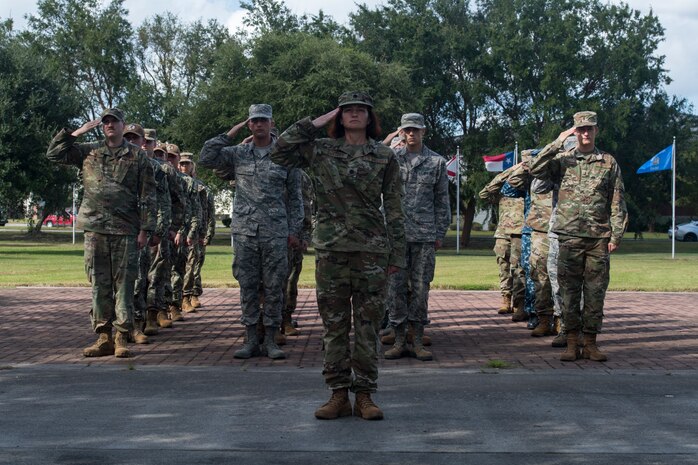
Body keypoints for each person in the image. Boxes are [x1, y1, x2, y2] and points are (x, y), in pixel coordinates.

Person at [271, 91, 406, 421]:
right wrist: (316, 121)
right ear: (339, 117)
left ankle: (364, 396)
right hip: (331, 250)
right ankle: (337, 394)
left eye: (362, 110)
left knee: (368, 327)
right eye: (348, 110)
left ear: (370, 117)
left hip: (371, 251)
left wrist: (397, 254)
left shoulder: (384, 156)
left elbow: (395, 207)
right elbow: (279, 150)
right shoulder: (321, 150)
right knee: (334, 326)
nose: (355, 115)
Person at [46, 108, 157, 358]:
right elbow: (54, 154)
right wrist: (76, 133)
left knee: (125, 285)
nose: (109, 126)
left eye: (114, 122)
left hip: (125, 229)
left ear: (122, 125)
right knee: (99, 285)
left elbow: (148, 196)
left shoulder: (138, 157)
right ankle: (103, 336)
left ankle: (121, 337)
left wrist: (145, 230)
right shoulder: (89, 150)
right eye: (105, 122)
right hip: (95, 229)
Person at [199, 104, 303, 360]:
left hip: (275, 231)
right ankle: (250, 340)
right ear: (249, 124)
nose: (259, 125)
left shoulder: (285, 155)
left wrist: (294, 230)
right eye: (254, 121)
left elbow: (296, 199)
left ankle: (271, 340)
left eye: (263, 120)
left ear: (271, 123)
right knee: (247, 285)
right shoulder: (238, 153)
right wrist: (230, 133)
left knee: (274, 286)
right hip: (245, 232)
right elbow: (206, 157)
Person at [530, 111, 628, 362]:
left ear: (596, 131)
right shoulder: (563, 160)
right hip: (569, 237)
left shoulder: (608, 162)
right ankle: (572, 342)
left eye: (589, 128)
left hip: (598, 239)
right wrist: (557, 141)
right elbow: (535, 168)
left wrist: (616, 235)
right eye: (580, 129)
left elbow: (617, 200)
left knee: (595, 294)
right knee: (569, 293)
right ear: (574, 131)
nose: (585, 133)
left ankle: (591, 343)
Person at [381, 113, 450, 361]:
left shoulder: (436, 162)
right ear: (401, 132)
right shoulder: (390, 158)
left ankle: (418, 340)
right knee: (395, 290)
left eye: (416, 130)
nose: (411, 134)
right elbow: (367, 159)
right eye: (407, 130)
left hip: (424, 236)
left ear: (423, 132)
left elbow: (442, 202)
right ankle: (399, 340)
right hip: (395, 236)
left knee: (421, 290)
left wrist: (439, 233)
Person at [124, 124, 170, 345]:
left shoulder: (156, 169)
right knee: (119, 282)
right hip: (119, 230)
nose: (133, 142)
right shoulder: (116, 163)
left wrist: (157, 231)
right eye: (128, 138)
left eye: (137, 139)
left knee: (141, 279)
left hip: (143, 231)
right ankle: (118, 328)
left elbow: (163, 203)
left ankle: (138, 324)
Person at [508, 150, 556, 337]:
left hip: (562, 229)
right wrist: (523, 167)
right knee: (536, 276)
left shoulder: (560, 170)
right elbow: (509, 187)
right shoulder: (530, 179)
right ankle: (538, 316)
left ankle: (561, 321)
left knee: (563, 279)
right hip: (537, 232)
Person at [479, 167, 526, 318]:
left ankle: (520, 304)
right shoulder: (502, 189)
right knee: (503, 265)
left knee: (519, 268)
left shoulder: (528, 186)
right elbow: (484, 193)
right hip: (502, 232)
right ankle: (506, 299)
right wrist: (509, 171)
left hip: (520, 232)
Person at [165, 143, 200, 323]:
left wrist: (186, 232)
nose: (170, 160)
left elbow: (192, 210)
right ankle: (157, 310)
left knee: (178, 270)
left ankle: (175, 305)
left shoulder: (187, 182)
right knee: (159, 273)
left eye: (173, 157)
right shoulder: (159, 175)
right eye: (167, 156)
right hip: (161, 232)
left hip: (180, 232)